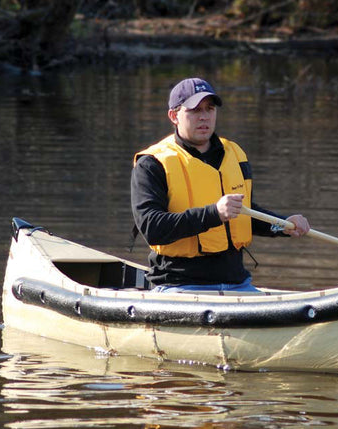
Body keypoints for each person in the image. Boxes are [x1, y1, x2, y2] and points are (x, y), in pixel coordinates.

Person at [131, 77, 310, 293]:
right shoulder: (152, 163)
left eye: (210, 108)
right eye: (194, 110)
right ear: (174, 116)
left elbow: (245, 215)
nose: (204, 116)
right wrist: (214, 213)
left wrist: (283, 225)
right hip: (179, 285)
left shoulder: (235, 154)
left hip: (238, 283)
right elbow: (152, 228)